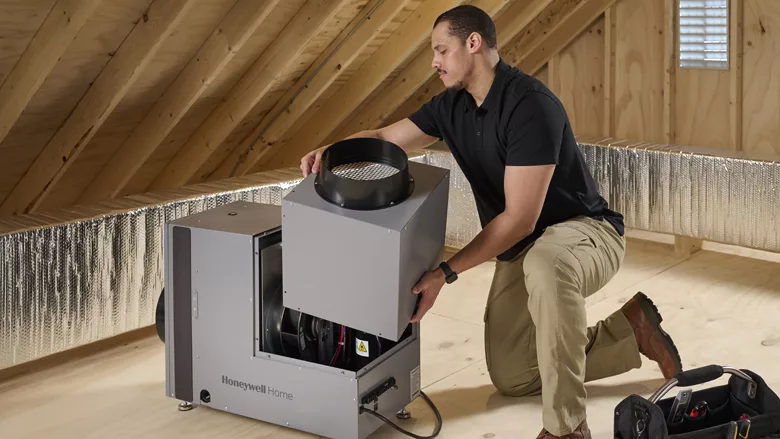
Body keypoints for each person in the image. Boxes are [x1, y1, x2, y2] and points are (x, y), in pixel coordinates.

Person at [300, 5, 682, 438]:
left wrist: (445, 272)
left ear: (473, 43)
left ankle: (567, 427)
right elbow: (386, 139)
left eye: (442, 50)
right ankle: (632, 330)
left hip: (585, 232)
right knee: (514, 373)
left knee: (546, 265)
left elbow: (520, 219)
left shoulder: (530, 106)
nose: (435, 61)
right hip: (527, 249)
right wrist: (331, 149)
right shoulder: (451, 107)